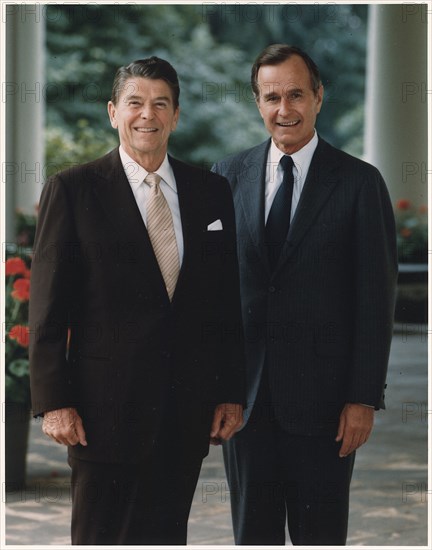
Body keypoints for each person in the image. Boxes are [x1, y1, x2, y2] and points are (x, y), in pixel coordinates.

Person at [29, 56, 245, 545]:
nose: (147, 114)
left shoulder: (211, 192)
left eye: (160, 104)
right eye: (135, 103)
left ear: (176, 115)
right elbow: (46, 310)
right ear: (113, 112)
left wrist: (231, 389)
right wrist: (54, 403)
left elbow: (224, 303)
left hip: (184, 414)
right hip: (101, 413)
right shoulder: (72, 189)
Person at [212, 44, 398, 545]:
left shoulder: (359, 183)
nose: (284, 109)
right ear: (257, 103)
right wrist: (217, 388)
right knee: (253, 536)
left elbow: (375, 301)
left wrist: (362, 397)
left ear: (319, 97)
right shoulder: (226, 176)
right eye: (271, 96)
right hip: (246, 407)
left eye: (296, 94)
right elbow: (213, 294)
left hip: (326, 408)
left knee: (320, 536)